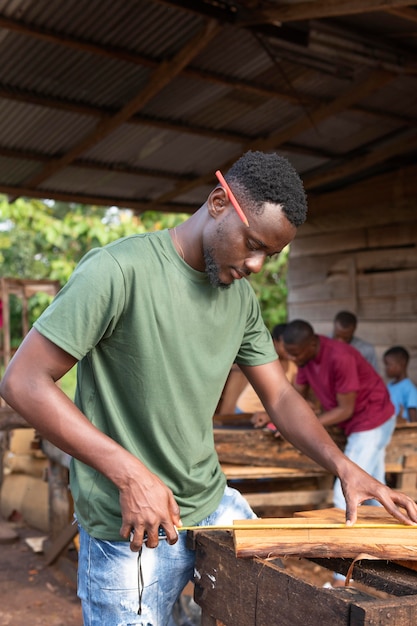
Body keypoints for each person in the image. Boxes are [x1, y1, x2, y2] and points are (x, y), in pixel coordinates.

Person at [1, 152, 416, 626]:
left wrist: (345, 465)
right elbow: (23, 381)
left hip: (208, 503)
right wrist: (131, 475)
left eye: (271, 256)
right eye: (253, 245)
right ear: (219, 201)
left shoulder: (239, 299)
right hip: (128, 527)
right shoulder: (118, 270)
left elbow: (279, 397)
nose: (258, 265)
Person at [283, 319, 396, 510]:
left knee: (344, 494)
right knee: (375, 495)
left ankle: (346, 539)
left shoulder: (340, 356)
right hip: (356, 424)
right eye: (289, 353)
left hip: (372, 421)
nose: (292, 359)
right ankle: (385, 539)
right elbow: (295, 397)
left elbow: (345, 409)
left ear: (311, 344)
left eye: (295, 354)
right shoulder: (305, 359)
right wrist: (277, 419)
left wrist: (305, 424)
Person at [236, 323, 297, 433]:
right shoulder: (264, 362)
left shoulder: (293, 366)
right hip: (246, 409)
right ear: (275, 342)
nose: (288, 348)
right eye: (284, 344)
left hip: (267, 414)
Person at [383, 346, 417, 423]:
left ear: (402, 363)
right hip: (388, 429)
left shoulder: (410, 388)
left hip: (402, 431)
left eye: (388, 364)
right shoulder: (389, 386)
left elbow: (413, 414)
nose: (386, 368)